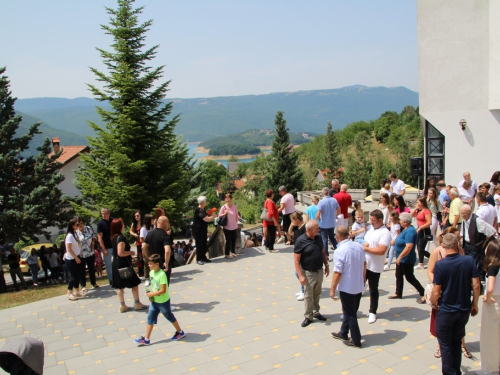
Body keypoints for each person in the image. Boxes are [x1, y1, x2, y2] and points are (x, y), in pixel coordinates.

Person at [430, 233, 480, 375]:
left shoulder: (441, 265)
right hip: (463, 309)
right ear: (457, 244)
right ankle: (456, 370)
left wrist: (434, 303)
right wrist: (474, 304)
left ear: (444, 246)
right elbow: (476, 285)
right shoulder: (469, 261)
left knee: (445, 345)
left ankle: (449, 372)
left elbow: (436, 291)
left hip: (446, 310)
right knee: (457, 341)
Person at [427, 227, 467, 359]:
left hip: (457, 290)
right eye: (457, 238)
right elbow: (430, 271)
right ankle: (440, 345)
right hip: (441, 292)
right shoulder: (437, 252)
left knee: (459, 322)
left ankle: (462, 345)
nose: (458, 241)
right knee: (441, 321)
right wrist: (438, 283)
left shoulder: (460, 251)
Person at [133, 254, 185, 345]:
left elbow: (163, 290)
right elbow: (153, 285)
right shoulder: (151, 272)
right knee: (150, 318)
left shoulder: (162, 275)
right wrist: (151, 296)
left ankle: (180, 332)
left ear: (157, 264)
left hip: (163, 301)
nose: (149, 266)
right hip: (155, 301)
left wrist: (152, 294)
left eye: (151, 264)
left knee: (169, 316)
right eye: (148, 264)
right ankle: (146, 339)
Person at [329, 226, 366, 348]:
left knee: (350, 314)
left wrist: (332, 289)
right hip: (358, 284)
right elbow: (364, 263)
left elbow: (337, 272)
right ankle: (343, 332)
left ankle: (356, 339)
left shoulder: (340, 250)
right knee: (350, 310)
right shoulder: (358, 246)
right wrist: (363, 279)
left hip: (347, 287)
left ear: (337, 237)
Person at [294, 220, 330, 327]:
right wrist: (300, 275)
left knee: (317, 293)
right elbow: (296, 260)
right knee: (309, 295)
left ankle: (316, 312)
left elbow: (323, 252)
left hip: (319, 270)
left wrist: (326, 265)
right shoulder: (300, 241)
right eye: (316, 228)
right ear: (309, 229)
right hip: (308, 272)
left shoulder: (318, 238)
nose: (318, 230)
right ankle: (308, 316)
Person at [110, 218, 147, 313]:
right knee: (134, 283)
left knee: (120, 286)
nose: (123, 226)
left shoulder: (113, 237)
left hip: (116, 264)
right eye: (122, 224)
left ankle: (122, 305)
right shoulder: (121, 238)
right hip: (123, 264)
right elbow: (120, 252)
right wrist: (131, 252)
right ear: (119, 227)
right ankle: (137, 303)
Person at [387, 212, 426, 303]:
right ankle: (398, 292)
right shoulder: (406, 229)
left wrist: (400, 257)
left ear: (405, 222)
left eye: (400, 220)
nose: (399, 222)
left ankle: (422, 292)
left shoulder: (410, 232)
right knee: (398, 275)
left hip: (406, 259)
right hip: (401, 258)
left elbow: (409, 246)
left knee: (409, 277)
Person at [460, 204, 497, 293]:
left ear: (469, 212)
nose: (462, 215)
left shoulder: (477, 220)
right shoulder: (464, 220)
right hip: (467, 245)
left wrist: (483, 243)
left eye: (464, 213)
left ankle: (476, 287)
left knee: (471, 266)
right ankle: (475, 286)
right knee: (467, 265)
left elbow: (491, 231)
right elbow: (463, 232)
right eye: (461, 213)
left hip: (475, 247)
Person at [362, 209, 391, 324]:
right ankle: (352, 311)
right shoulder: (370, 229)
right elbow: (366, 242)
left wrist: (366, 248)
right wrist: (365, 246)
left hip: (374, 266)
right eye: (370, 219)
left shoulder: (385, 233)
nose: (371, 222)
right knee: (358, 288)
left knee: (373, 289)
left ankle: (372, 311)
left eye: (373, 220)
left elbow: (381, 250)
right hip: (364, 264)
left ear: (380, 220)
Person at [480, 240, 500, 373]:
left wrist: (487, 297)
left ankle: (490, 368)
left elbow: (490, 287)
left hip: (493, 304)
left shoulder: (492, 266)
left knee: (489, 338)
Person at [143, 216, 173, 284]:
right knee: (163, 287)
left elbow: (143, 247)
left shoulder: (150, 233)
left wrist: (149, 258)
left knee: (155, 286)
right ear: (162, 223)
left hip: (153, 264)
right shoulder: (165, 236)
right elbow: (167, 250)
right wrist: (167, 263)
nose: (169, 224)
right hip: (162, 264)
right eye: (167, 222)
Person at [316, 187, 341, 258]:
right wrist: (336, 216)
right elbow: (338, 209)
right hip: (332, 223)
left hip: (324, 224)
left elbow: (318, 213)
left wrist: (315, 221)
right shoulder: (334, 200)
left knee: (324, 240)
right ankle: (339, 250)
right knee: (332, 238)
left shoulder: (321, 202)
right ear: (329, 192)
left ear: (323, 193)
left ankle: (326, 255)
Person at [191, 196, 216, 265]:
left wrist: (210, 212)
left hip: (203, 229)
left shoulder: (202, 209)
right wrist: (213, 217)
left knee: (204, 243)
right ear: (202, 202)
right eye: (205, 201)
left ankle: (203, 257)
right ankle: (199, 259)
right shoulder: (198, 210)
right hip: (198, 230)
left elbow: (205, 215)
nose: (206, 202)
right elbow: (206, 219)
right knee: (199, 244)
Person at [288, 212, 307, 301]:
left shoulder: (305, 227)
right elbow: (289, 233)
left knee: (299, 273)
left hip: (303, 253)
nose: (291, 222)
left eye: (292, 220)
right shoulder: (296, 227)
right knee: (299, 272)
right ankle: (303, 289)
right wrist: (291, 225)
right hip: (298, 252)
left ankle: (304, 291)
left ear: (298, 220)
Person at [65, 217, 84, 300]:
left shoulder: (75, 233)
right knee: (74, 277)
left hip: (77, 256)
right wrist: (76, 257)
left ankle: (76, 291)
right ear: (72, 226)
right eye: (77, 224)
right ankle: (69, 291)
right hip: (71, 259)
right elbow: (69, 249)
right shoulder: (69, 236)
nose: (78, 225)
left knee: (78, 275)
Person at [77, 218, 98, 291]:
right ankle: (83, 286)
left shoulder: (88, 228)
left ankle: (93, 283)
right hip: (81, 254)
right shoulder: (76, 232)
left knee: (91, 269)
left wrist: (93, 243)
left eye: (81, 223)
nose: (80, 225)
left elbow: (94, 236)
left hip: (90, 252)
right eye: (78, 224)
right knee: (82, 270)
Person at [411, 197, 432, 270]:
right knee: (419, 248)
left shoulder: (426, 211)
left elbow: (429, 222)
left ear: (422, 203)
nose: (417, 204)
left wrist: (421, 227)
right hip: (419, 231)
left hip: (425, 231)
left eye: (418, 202)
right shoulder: (419, 211)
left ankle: (433, 257)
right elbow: (411, 215)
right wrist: (415, 209)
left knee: (421, 248)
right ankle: (421, 263)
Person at [219, 193, 240, 259]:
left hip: (234, 226)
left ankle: (233, 252)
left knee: (234, 240)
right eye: (226, 200)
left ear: (231, 199)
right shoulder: (223, 207)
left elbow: (236, 216)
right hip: (227, 227)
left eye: (229, 199)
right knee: (228, 240)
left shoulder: (234, 206)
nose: (227, 201)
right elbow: (219, 215)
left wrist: (236, 223)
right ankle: (227, 254)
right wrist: (224, 213)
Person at [97, 208, 113, 285]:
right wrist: (104, 249)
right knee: (108, 265)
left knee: (117, 262)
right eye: (102, 213)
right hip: (107, 247)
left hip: (114, 245)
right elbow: (99, 237)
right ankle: (111, 280)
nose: (103, 215)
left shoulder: (113, 221)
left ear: (108, 213)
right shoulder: (100, 224)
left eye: (105, 213)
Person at [129, 210, 143, 276]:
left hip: (145, 241)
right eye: (135, 216)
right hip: (138, 242)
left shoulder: (144, 223)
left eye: (137, 216)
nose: (136, 217)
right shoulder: (134, 224)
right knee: (140, 257)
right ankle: (141, 274)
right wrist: (135, 234)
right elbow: (130, 231)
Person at [139, 213, 153, 279]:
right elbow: (141, 239)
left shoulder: (153, 227)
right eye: (152, 219)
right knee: (146, 262)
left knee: (153, 261)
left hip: (152, 246)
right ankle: (147, 278)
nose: (153, 220)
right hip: (146, 247)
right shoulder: (143, 229)